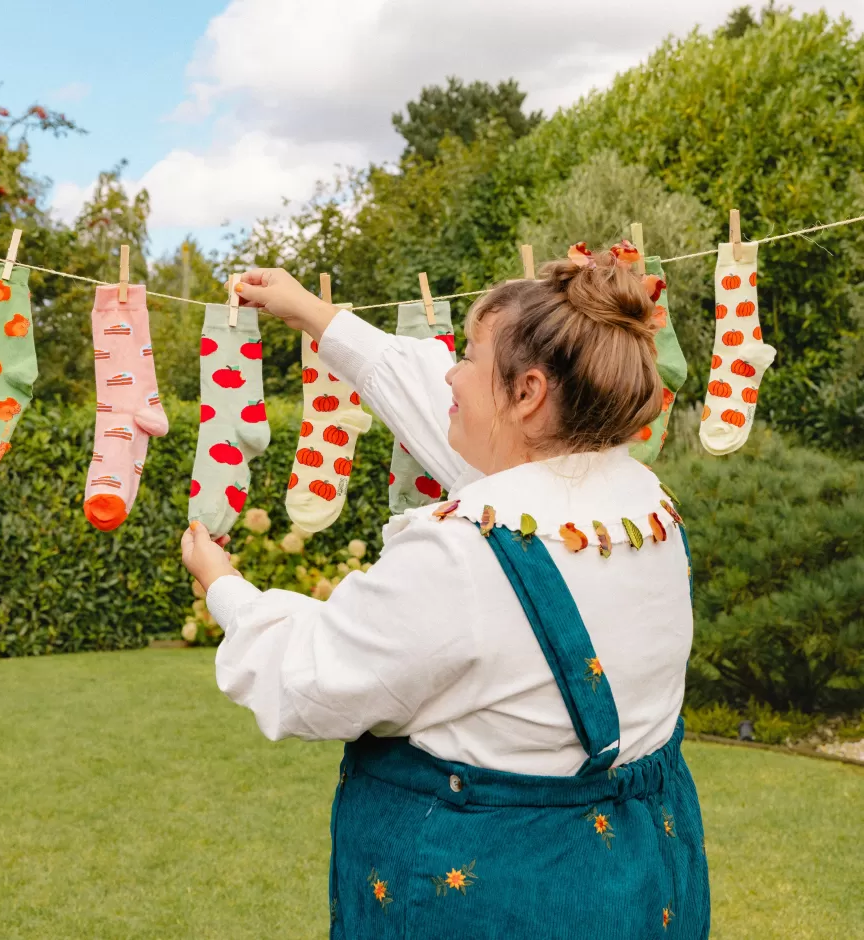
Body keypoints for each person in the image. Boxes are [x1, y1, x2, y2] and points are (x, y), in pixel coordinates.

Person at [180, 251, 710, 939]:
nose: (450, 373)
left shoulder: (462, 556)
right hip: (642, 880)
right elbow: (437, 400)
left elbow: (308, 680)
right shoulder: (645, 507)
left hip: (490, 896)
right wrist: (314, 314)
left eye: (468, 356)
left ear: (528, 394)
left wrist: (224, 587)